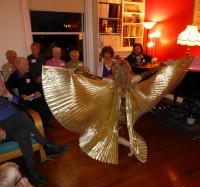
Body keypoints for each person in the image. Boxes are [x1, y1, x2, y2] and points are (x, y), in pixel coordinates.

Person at [42, 56, 193, 165]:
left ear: (115, 71)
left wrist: (76, 73)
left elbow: (92, 77)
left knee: (111, 133)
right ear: (127, 70)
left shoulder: (110, 82)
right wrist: (163, 65)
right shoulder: (134, 80)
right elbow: (150, 73)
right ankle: (127, 142)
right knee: (116, 130)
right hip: (127, 112)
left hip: (114, 112)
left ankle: (131, 146)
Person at [0, 78, 68, 186]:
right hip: (2, 131)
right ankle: (46, 144)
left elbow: (22, 105)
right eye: (0, 81)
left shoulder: (4, 93)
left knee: (22, 132)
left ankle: (31, 170)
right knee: (21, 115)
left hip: (15, 126)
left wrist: (10, 96)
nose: (3, 83)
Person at [6, 57, 52, 127]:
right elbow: (11, 93)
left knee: (46, 104)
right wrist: (21, 95)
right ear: (18, 66)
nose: (28, 67)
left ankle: (44, 124)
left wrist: (37, 91)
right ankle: (37, 126)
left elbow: (35, 85)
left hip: (33, 97)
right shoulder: (13, 78)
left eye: (28, 64)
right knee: (35, 110)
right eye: (25, 65)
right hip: (23, 101)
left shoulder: (28, 74)